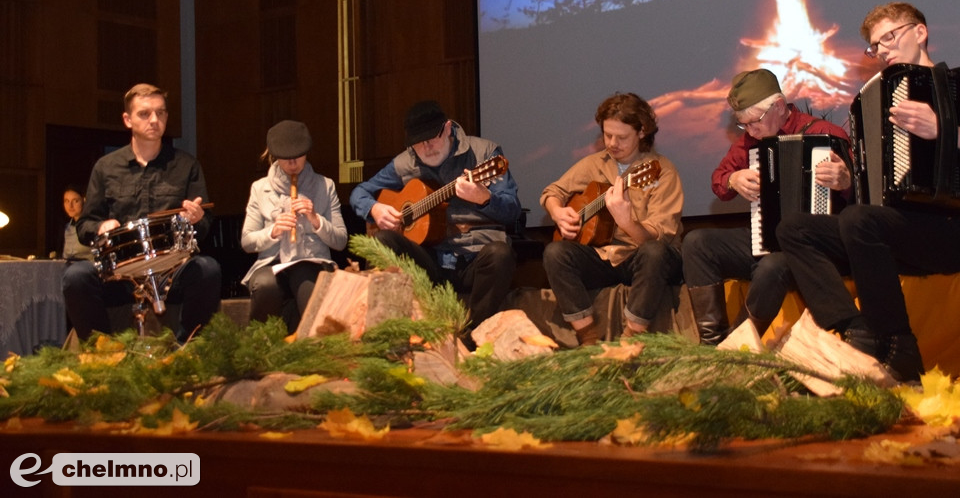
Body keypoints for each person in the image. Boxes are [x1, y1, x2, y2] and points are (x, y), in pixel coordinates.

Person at [775, 2, 960, 382]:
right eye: (875, 47)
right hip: (903, 232)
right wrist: (849, 183)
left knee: (859, 220)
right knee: (795, 228)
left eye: (889, 38)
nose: (882, 51)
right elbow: (883, 188)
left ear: (920, 32)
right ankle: (855, 332)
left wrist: (948, 131)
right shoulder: (876, 103)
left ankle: (900, 348)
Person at [680, 69, 852, 345]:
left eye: (755, 122)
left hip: (817, 248)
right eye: (743, 124)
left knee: (773, 264)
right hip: (766, 237)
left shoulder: (826, 134)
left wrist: (845, 179)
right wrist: (733, 179)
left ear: (780, 107)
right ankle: (712, 343)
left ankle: (737, 347)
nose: (751, 131)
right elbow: (718, 182)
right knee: (697, 242)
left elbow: (862, 196)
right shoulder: (749, 143)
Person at [350, 100, 521, 342]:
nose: (426, 147)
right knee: (383, 240)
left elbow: (512, 210)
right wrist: (375, 208)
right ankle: (388, 335)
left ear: (448, 128)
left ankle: (471, 336)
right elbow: (359, 193)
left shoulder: (484, 152)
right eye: (418, 143)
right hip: (431, 258)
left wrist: (484, 198)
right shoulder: (404, 163)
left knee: (501, 254)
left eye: (432, 138)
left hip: (476, 255)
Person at [63, 83, 222, 343]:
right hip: (120, 275)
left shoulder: (186, 165)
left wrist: (197, 219)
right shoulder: (106, 168)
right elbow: (85, 226)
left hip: (171, 271)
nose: (154, 120)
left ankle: (188, 348)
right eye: (145, 114)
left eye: (160, 113)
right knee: (76, 277)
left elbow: (205, 227)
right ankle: (102, 353)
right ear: (127, 119)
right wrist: (100, 227)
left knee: (208, 269)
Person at [542, 92, 684, 346]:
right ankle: (587, 338)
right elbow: (552, 192)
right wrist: (558, 212)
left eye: (622, 137)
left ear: (642, 132)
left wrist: (627, 222)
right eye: (607, 135)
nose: (612, 143)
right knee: (555, 252)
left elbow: (662, 236)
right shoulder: (594, 163)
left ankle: (631, 339)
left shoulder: (660, 170)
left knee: (655, 252)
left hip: (642, 260)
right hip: (603, 257)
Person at [240, 120, 348, 332]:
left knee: (305, 278)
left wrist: (316, 220)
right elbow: (247, 242)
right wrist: (273, 231)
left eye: (298, 156)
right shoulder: (260, 189)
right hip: (272, 263)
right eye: (286, 158)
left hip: (313, 260)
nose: (292, 164)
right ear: (274, 156)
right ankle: (264, 346)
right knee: (266, 285)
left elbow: (341, 241)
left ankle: (313, 348)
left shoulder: (325, 186)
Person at [61, 185, 92, 261]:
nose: (70, 206)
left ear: (84, 200)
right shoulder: (66, 227)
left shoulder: (91, 225)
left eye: (75, 201)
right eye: (67, 201)